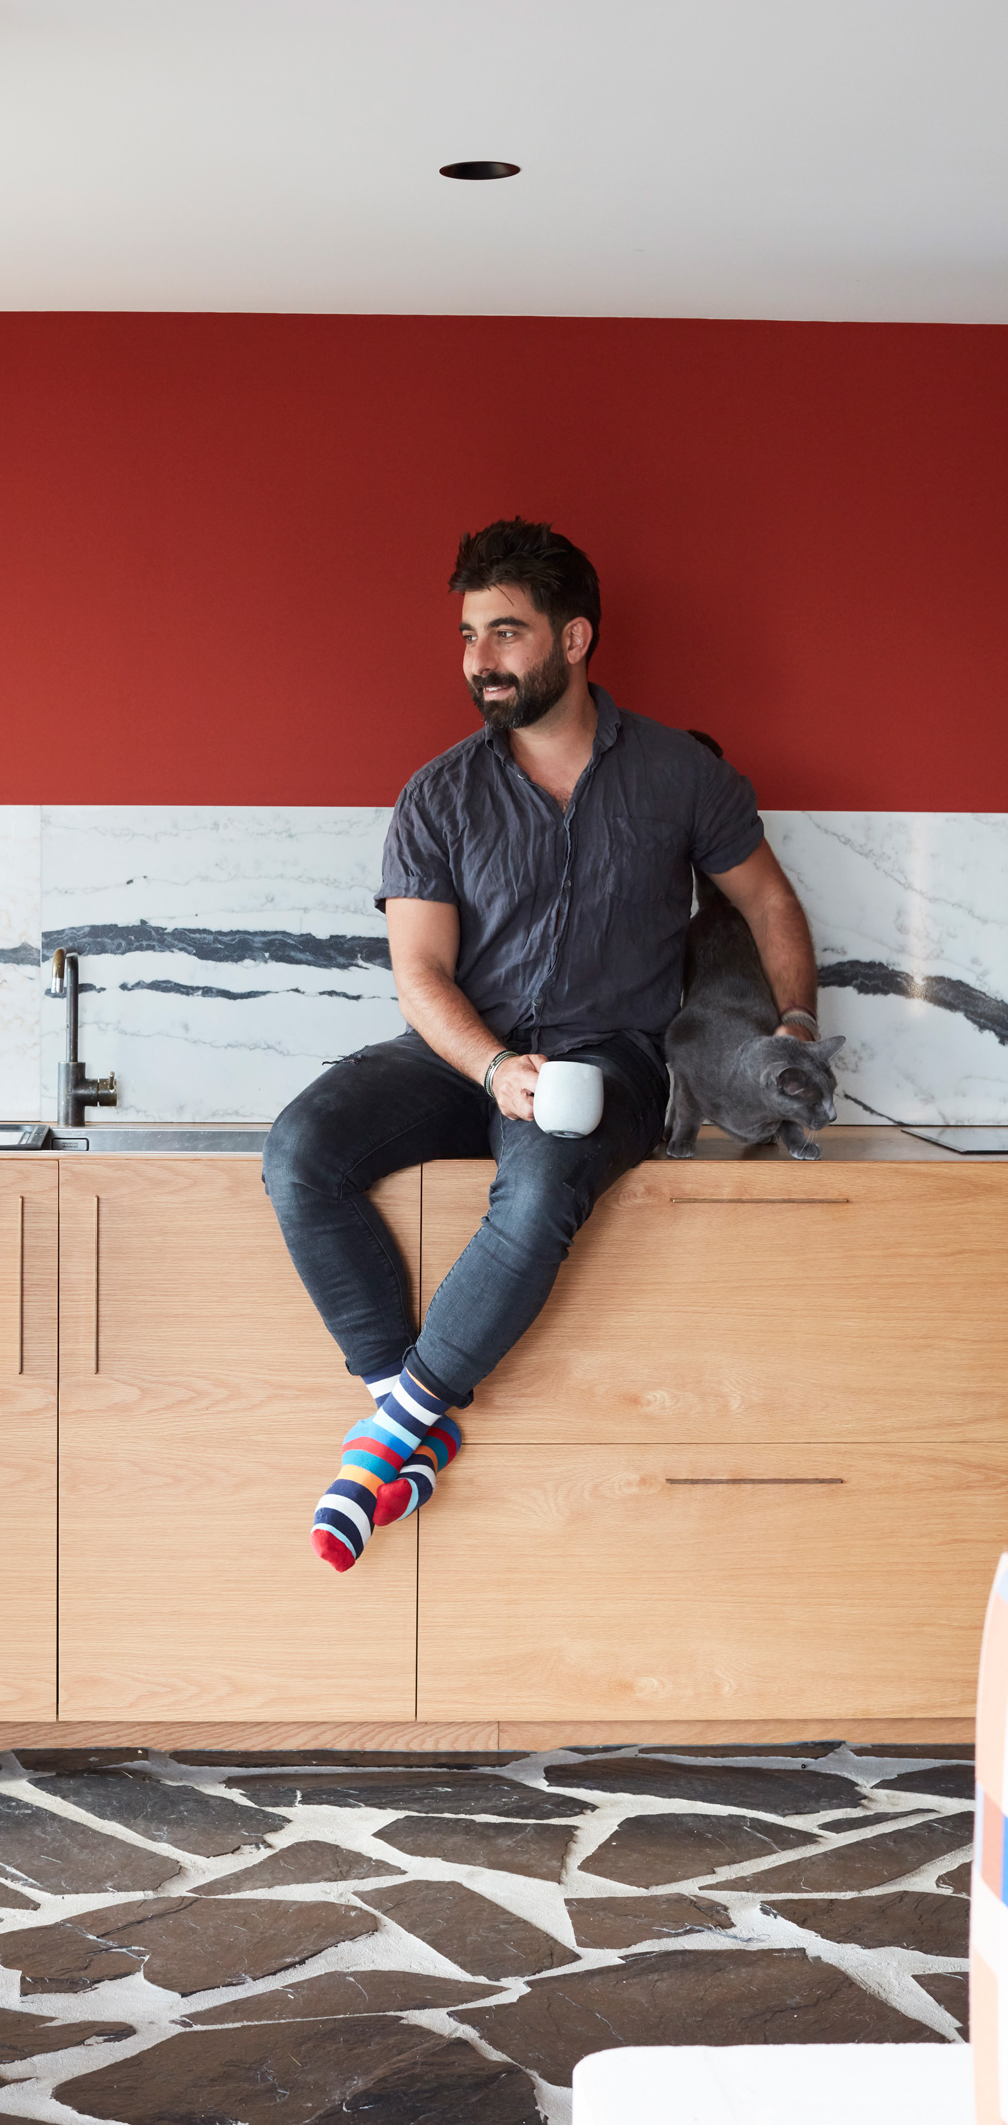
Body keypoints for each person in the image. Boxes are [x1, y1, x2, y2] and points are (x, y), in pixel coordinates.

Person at [262, 517, 822, 1571]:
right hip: (463, 1049)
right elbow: (419, 973)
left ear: (573, 639)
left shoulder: (678, 775)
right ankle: (405, 1417)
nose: (480, 660)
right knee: (302, 1154)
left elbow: (771, 903)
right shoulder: (439, 793)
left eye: (506, 632)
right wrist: (488, 1066)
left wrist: (795, 1027)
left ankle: (391, 1432)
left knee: (542, 1182)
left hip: (611, 1058)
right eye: (470, 635)